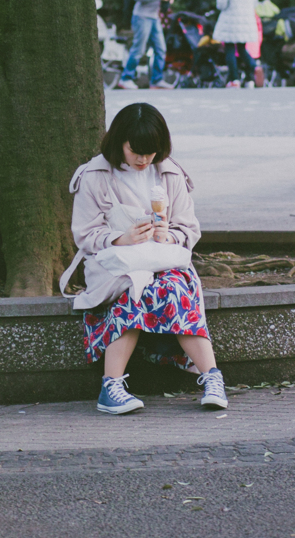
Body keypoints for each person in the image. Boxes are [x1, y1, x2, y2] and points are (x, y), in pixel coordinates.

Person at [61, 102, 228, 415]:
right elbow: (84, 234)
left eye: (150, 152)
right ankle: (111, 386)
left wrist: (169, 235)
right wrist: (120, 237)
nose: (142, 159)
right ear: (119, 142)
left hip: (162, 259)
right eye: (135, 150)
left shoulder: (169, 173)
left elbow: (189, 229)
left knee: (173, 289)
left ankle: (212, 378)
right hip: (116, 264)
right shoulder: (95, 175)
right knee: (134, 291)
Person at [118, 0, 175, 90]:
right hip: (142, 16)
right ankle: (126, 78)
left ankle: (156, 80)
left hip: (153, 17)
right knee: (139, 49)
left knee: (161, 48)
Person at [212, 0, 260, 87]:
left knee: (229, 49)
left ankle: (234, 80)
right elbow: (255, 2)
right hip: (246, 20)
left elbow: (221, 4)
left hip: (230, 21)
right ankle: (252, 71)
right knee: (242, 49)